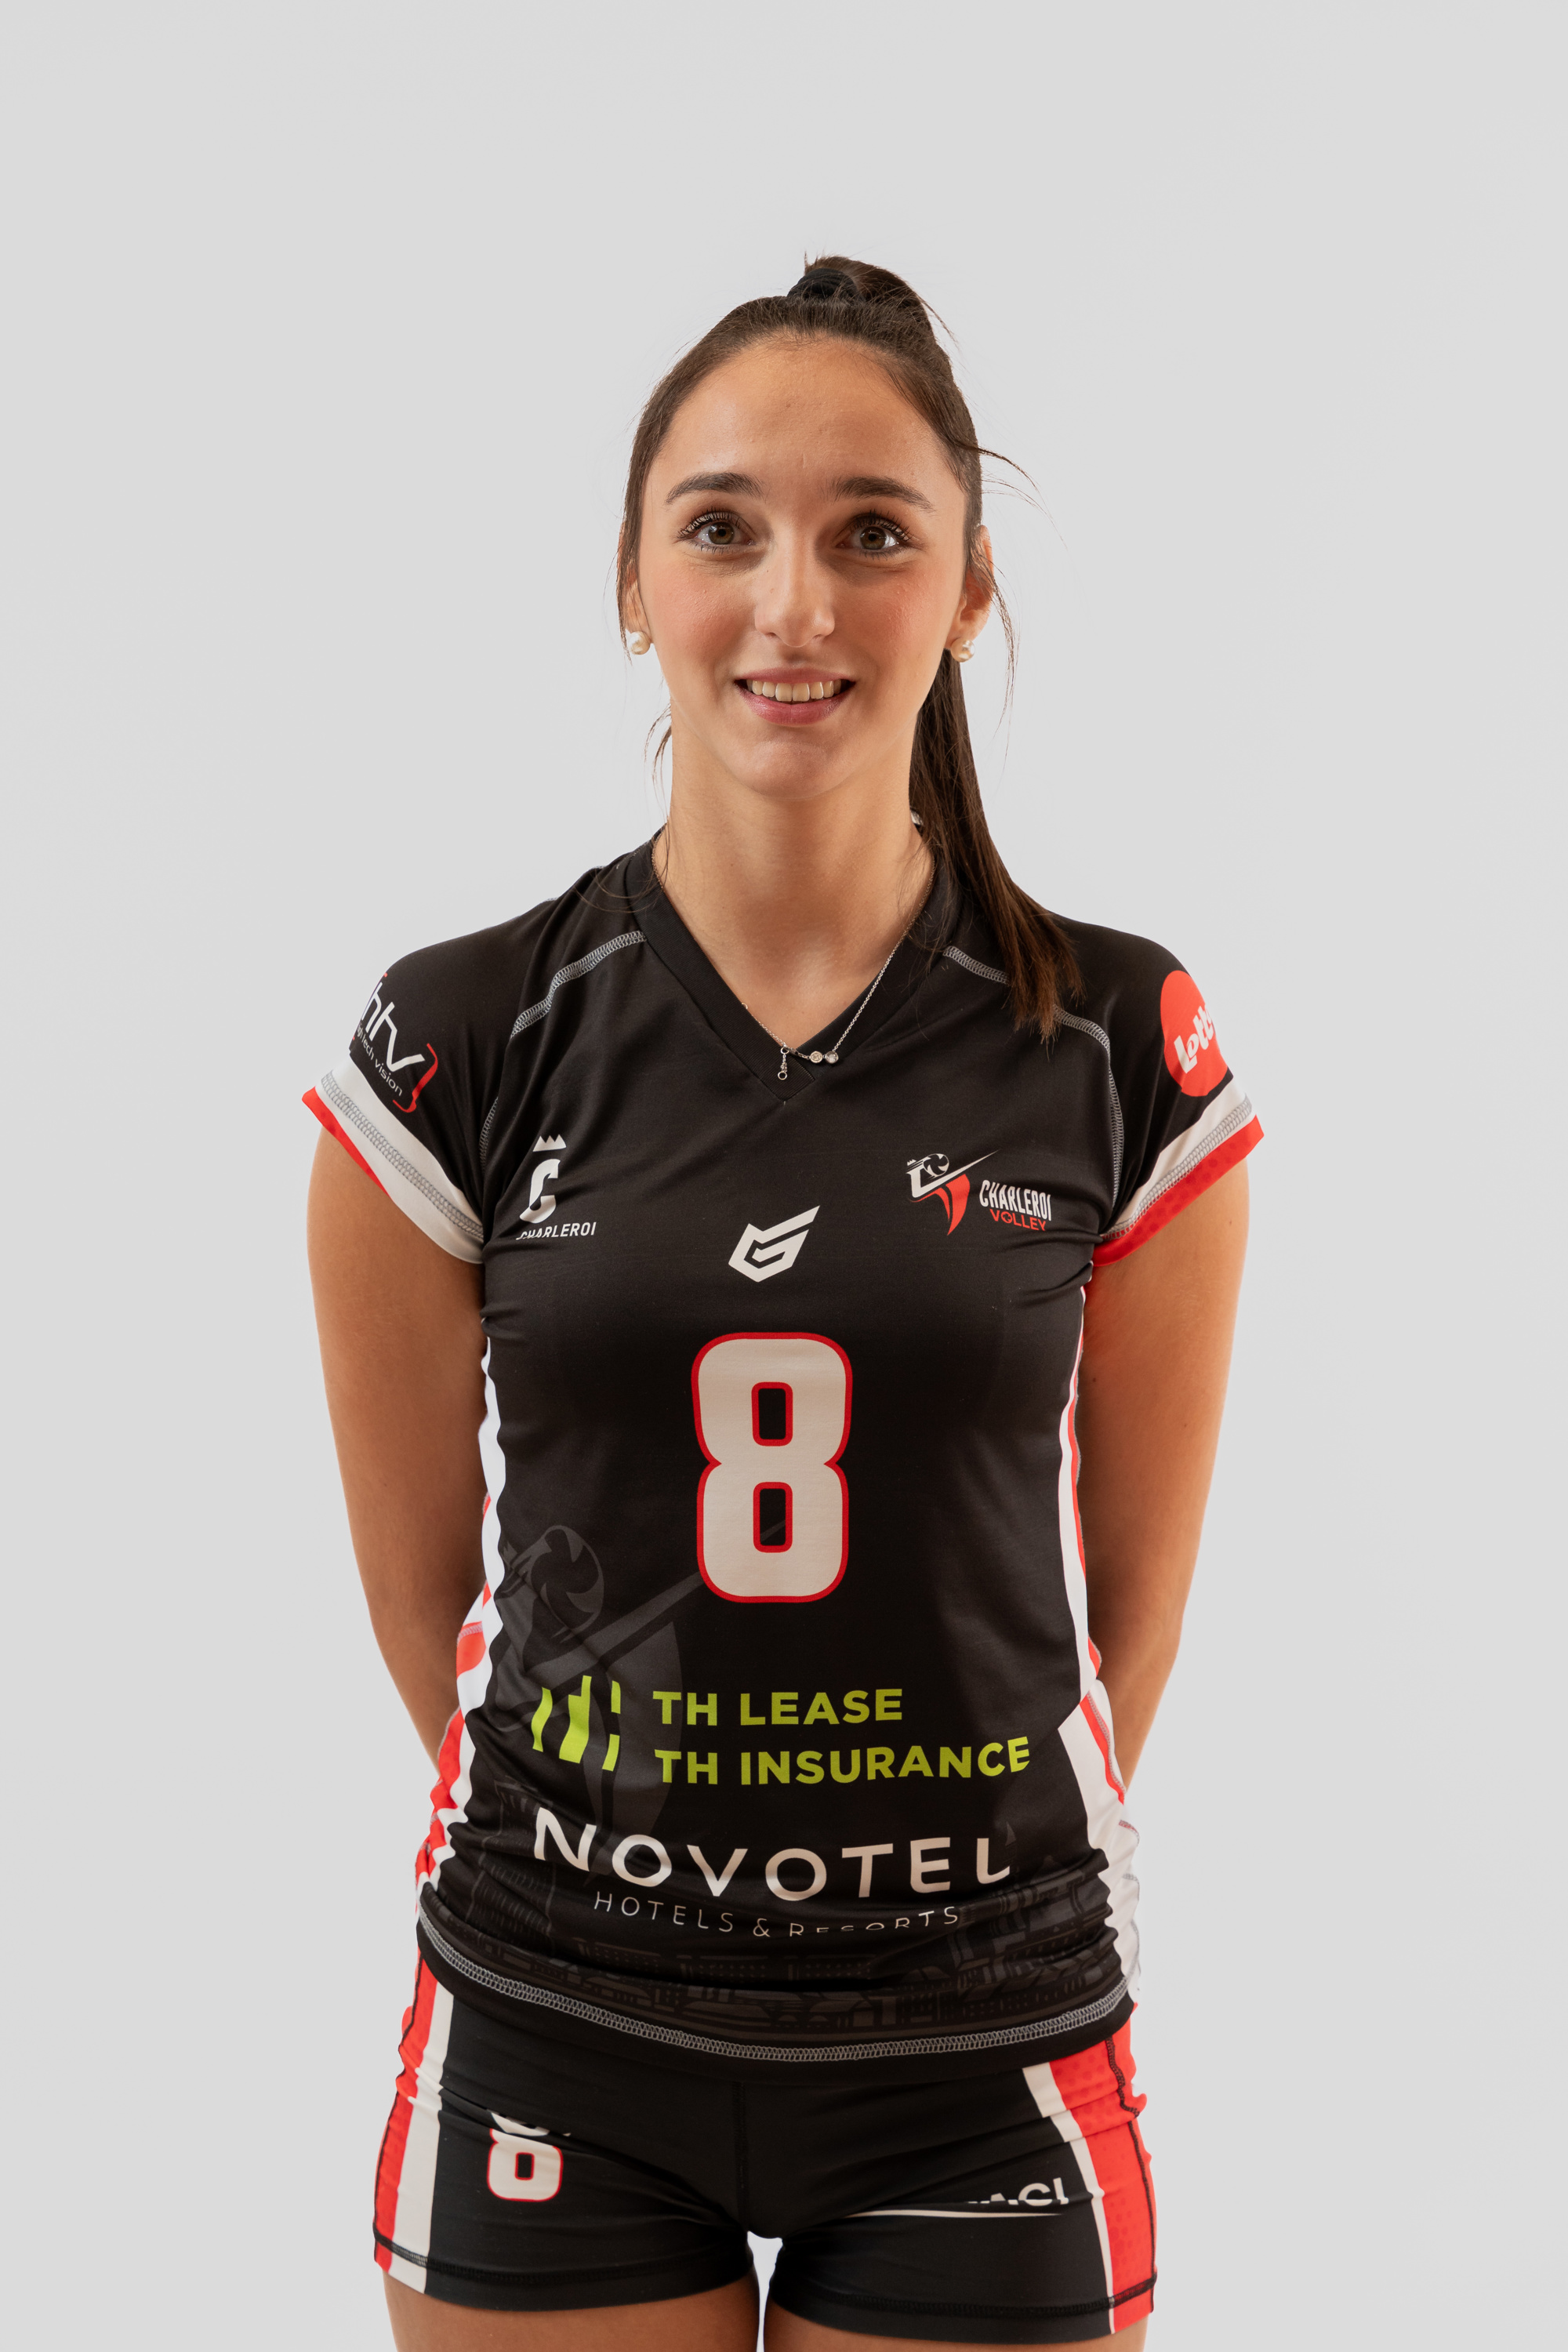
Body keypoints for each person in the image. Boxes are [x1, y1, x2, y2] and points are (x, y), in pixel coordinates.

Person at [306, 256, 1258, 2352]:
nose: (795, 604)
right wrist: (629, 1855)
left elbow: (1127, 1619)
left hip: (978, 2033)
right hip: (556, 2010)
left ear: (969, 590)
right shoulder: (459, 1038)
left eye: (874, 534)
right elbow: (425, 1601)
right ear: (634, 581)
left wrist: (941, 1873)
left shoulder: (1120, 1042)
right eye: (723, 526)